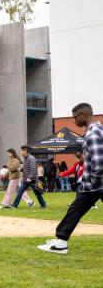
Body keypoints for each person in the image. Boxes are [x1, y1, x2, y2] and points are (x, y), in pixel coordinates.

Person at [38, 103, 103, 254]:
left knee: (74, 210)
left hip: (96, 184)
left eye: (75, 117)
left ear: (85, 115)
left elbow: (99, 164)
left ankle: (60, 242)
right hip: (94, 185)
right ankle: (61, 242)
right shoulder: (97, 130)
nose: (74, 121)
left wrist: (92, 181)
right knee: (74, 210)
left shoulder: (93, 134)